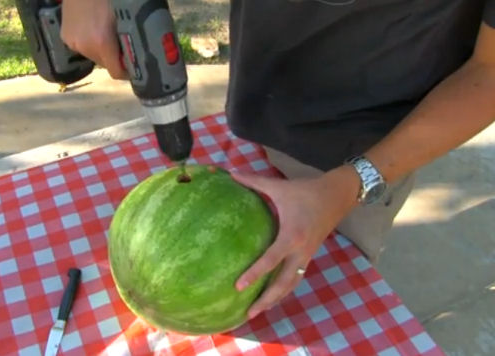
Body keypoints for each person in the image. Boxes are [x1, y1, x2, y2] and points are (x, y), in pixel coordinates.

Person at [61, 0, 495, 319]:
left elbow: (490, 71)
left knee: (332, 305)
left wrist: (347, 186)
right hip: (254, 105)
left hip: (365, 150)